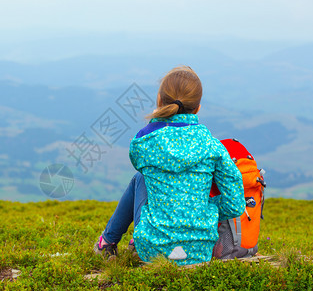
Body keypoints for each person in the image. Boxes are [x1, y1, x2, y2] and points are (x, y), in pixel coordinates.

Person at [94, 66, 245, 266]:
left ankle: (107, 242)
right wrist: (205, 209)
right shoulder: (213, 146)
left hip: (153, 249)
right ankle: (126, 242)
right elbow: (235, 204)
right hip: (199, 251)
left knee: (141, 178)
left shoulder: (144, 141)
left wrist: (158, 121)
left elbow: (140, 166)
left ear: (159, 100)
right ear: (198, 107)